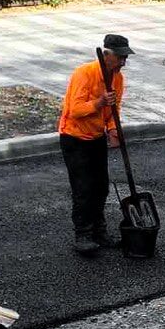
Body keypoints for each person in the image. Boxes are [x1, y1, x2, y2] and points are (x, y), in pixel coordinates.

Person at [58, 34, 133, 255]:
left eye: (125, 57)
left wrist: (113, 129)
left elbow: (114, 110)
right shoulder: (84, 73)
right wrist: (100, 102)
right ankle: (82, 234)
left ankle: (99, 232)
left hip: (97, 137)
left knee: (101, 187)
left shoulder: (118, 79)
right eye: (120, 57)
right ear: (106, 55)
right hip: (74, 138)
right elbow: (75, 110)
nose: (123, 62)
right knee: (83, 188)